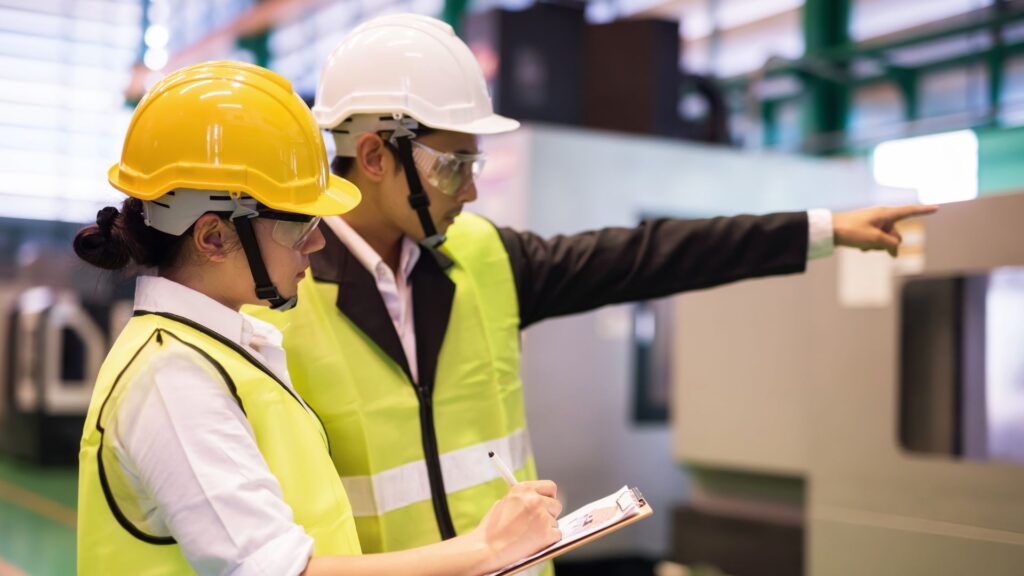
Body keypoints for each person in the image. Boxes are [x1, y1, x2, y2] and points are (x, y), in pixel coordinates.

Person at [251, 13, 938, 568]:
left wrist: (819, 229)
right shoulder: (272, 306)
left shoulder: (485, 258)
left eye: (473, 163)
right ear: (374, 156)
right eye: (453, 165)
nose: (472, 188)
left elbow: (649, 256)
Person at [75, 61, 561, 576]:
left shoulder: (217, 354)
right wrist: (488, 548)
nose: (319, 240)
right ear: (213, 237)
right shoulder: (171, 380)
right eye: (300, 224)